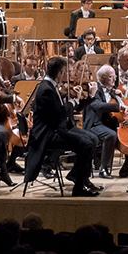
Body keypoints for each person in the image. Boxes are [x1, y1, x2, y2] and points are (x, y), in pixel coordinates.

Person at [23, 56, 100, 196]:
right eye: (65, 72)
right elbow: (57, 116)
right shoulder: (46, 90)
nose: (67, 75)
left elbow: (66, 111)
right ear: (59, 73)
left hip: (57, 129)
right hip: (48, 134)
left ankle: (80, 178)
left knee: (91, 140)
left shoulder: (51, 87)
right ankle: (78, 187)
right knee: (86, 144)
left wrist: (85, 98)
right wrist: (73, 102)